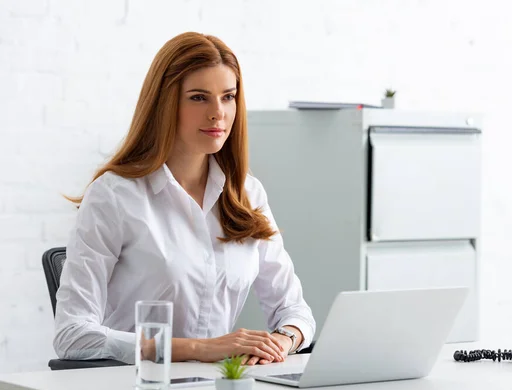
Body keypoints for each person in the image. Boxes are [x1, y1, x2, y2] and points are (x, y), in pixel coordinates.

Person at [53, 32, 316, 366]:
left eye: (228, 97)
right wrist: (198, 349)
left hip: (214, 386)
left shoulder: (247, 194)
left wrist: (283, 340)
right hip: (135, 385)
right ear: (166, 104)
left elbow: (295, 312)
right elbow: (72, 334)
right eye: (198, 98)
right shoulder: (114, 195)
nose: (218, 113)